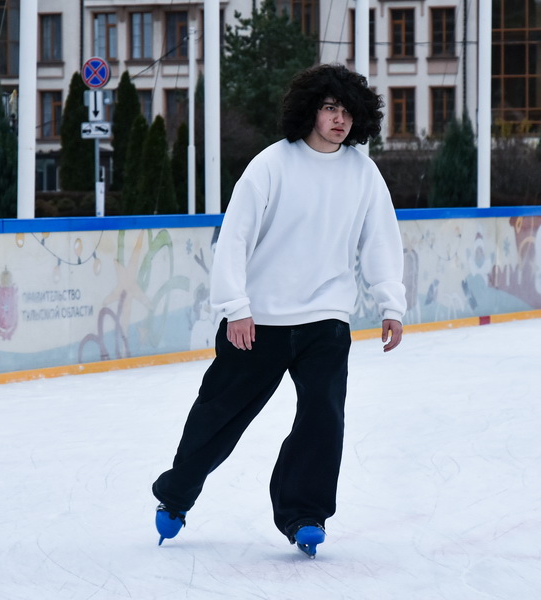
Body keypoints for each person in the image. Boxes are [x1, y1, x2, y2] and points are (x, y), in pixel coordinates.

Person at [151, 64, 407, 558]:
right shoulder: (271, 165)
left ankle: (304, 514)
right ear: (310, 110)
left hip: (326, 319)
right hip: (259, 321)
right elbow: (235, 239)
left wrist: (390, 303)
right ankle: (176, 495)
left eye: (347, 111)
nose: (339, 120)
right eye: (329, 108)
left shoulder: (363, 173)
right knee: (219, 417)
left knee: (323, 419)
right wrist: (236, 307)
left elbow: (380, 241)